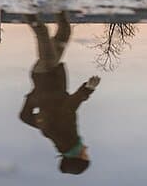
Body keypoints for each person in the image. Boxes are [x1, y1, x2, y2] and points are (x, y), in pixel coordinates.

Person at [20, 13, 100, 175]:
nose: (87, 150)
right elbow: (25, 117)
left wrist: (87, 89)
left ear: (77, 156)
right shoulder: (58, 139)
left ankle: (25, 4)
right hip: (47, 75)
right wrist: (34, 97)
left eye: (85, 155)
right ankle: (57, 2)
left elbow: (68, 108)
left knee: (42, 31)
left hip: (47, 74)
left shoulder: (67, 138)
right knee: (64, 32)